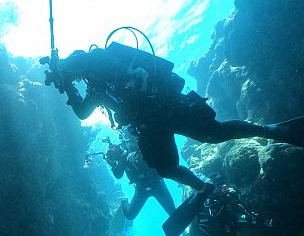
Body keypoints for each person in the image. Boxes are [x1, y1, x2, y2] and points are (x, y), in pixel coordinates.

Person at [45, 43, 304, 192]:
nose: (78, 77)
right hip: (149, 125)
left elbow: (81, 61)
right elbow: (82, 113)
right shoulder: (96, 89)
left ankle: (271, 130)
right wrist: (67, 86)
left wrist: (60, 66)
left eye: (76, 73)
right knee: (167, 168)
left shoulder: (99, 58)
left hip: (162, 104)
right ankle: (205, 188)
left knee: (214, 134)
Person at [104, 131, 176, 220]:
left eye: (132, 140)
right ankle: (124, 201)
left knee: (173, 213)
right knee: (130, 216)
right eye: (128, 140)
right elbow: (118, 175)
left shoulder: (145, 144)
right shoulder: (122, 154)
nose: (131, 143)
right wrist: (112, 164)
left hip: (157, 183)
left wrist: (139, 154)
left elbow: (158, 153)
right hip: (141, 188)